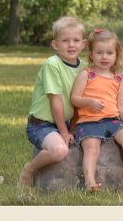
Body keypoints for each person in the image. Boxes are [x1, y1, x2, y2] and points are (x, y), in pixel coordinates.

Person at [71, 28, 123, 191]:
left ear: (116, 55)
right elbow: (74, 98)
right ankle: (90, 182)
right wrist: (89, 102)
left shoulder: (118, 79)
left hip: (112, 120)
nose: (104, 57)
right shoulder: (87, 75)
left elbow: (122, 106)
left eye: (109, 53)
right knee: (92, 148)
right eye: (99, 53)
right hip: (89, 121)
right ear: (91, 54)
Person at [19, 16, 87, 186]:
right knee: (59, 150)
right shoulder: (52, 64)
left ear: (83, 44)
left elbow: (79, 101)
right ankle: (29, 170)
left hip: (67, 122)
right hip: (42, 124)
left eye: (76, 40)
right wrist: (64, 132)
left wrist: (72, 127)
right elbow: (55, 101)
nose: (71, 45)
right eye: (65, 40)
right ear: (55, 44)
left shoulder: (84, 67)